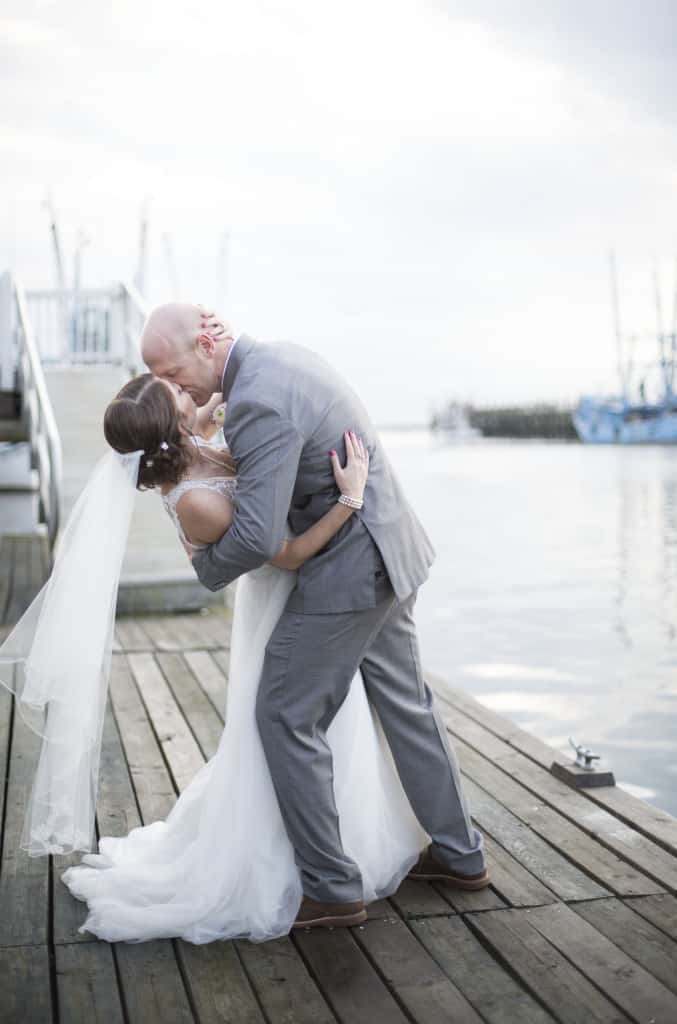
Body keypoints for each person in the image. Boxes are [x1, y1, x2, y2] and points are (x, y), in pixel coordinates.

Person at [138, 302, 489, 930]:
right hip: (388, 546)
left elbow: (254, 536)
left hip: (351, 570)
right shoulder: (275, 365)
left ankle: (332, 889)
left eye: (172, 370)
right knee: (408, 705)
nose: (174, 386)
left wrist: (200, 563)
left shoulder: (256, 401)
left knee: (283, 713)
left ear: (208, 339)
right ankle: (462, 858)